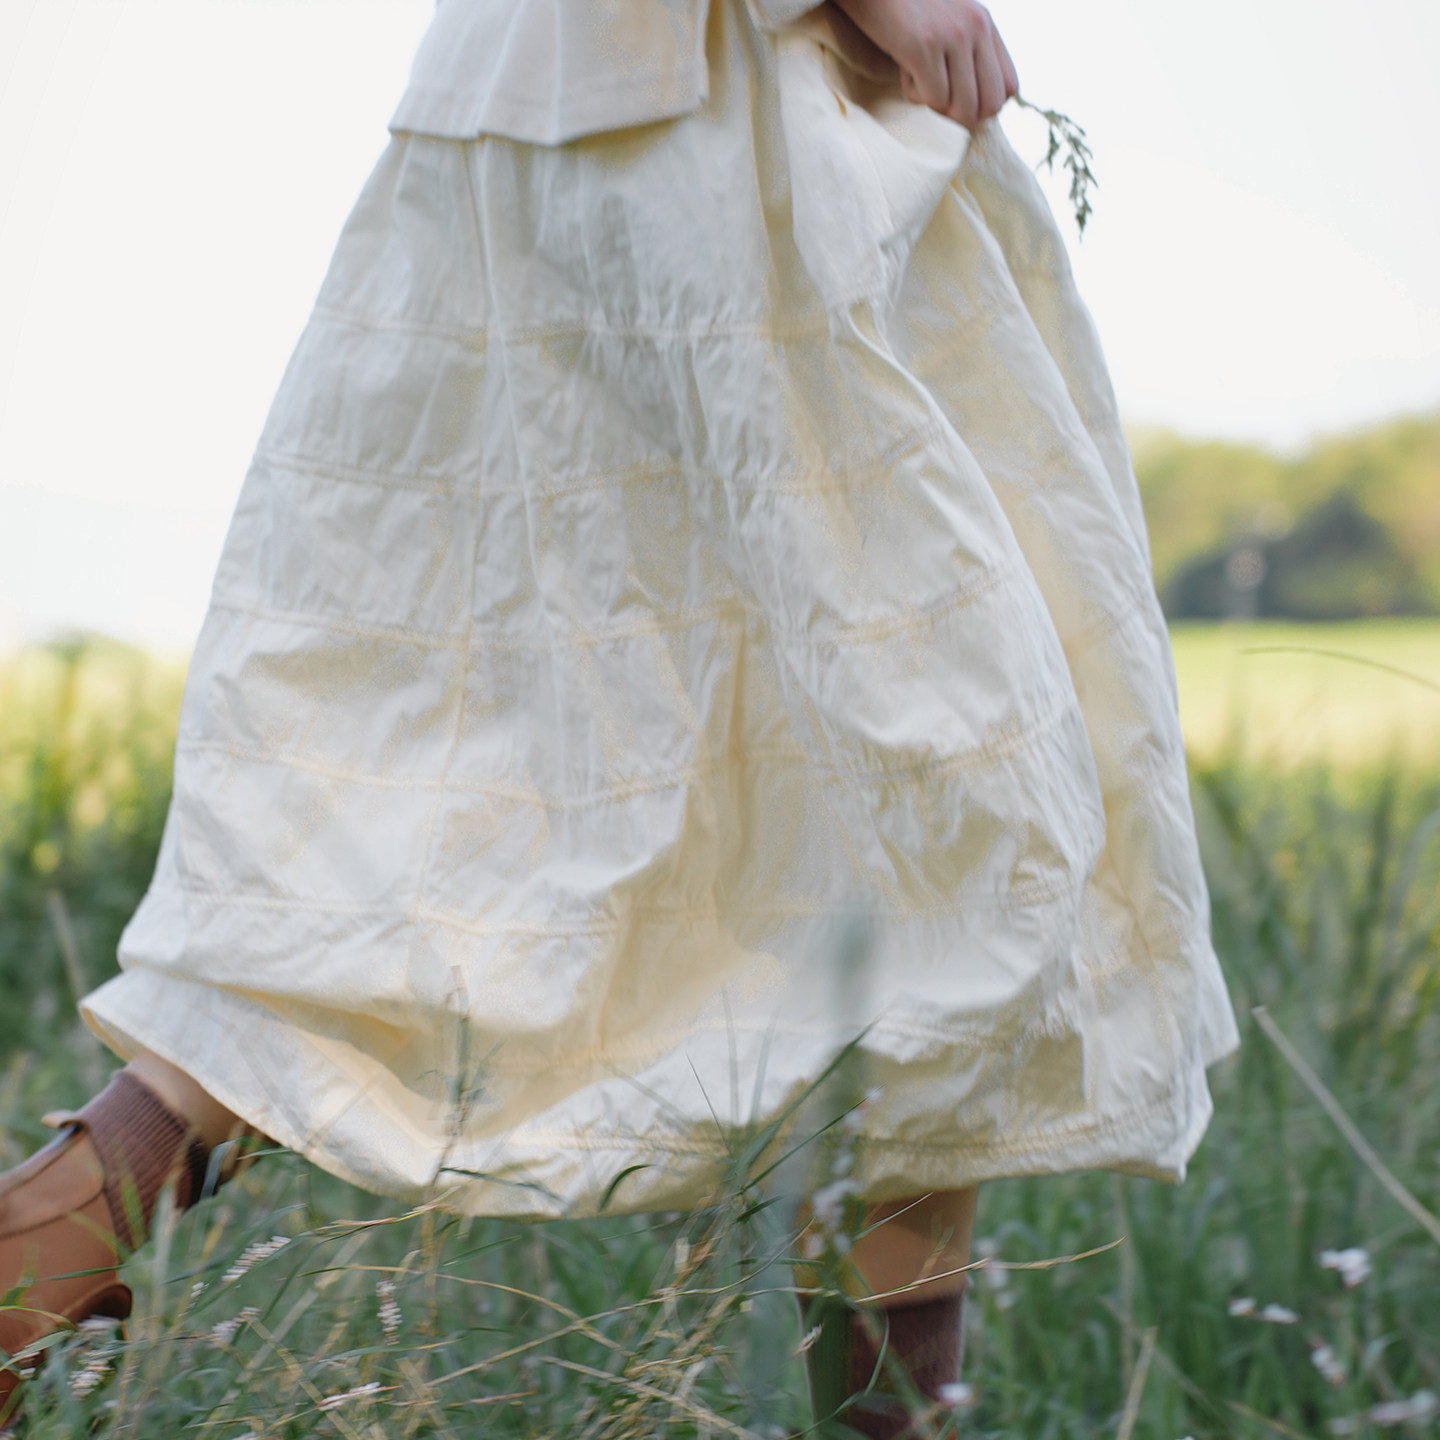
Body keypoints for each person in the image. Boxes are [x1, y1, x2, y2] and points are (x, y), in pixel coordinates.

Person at [0, 0, 1238, 1433]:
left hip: (526, 117)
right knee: (930, 830)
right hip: (732, 126)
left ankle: (42, 1244)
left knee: (413, 824)